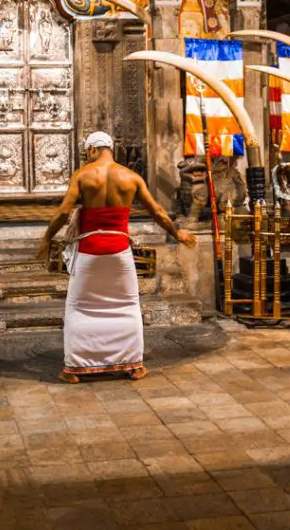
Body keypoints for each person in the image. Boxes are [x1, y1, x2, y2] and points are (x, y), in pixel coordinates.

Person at [37, 131, 197, 384]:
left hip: (89, 252)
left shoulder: (82, 175)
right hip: (119, 252)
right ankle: (134, 366)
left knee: (79, 307)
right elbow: (156, 211)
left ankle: (74, 369)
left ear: (91, 149)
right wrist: (177, 234)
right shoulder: (131, 177)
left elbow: (63, 212)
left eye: (86, 152)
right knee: (127, 306)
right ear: (111, 148)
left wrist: (47, 238)